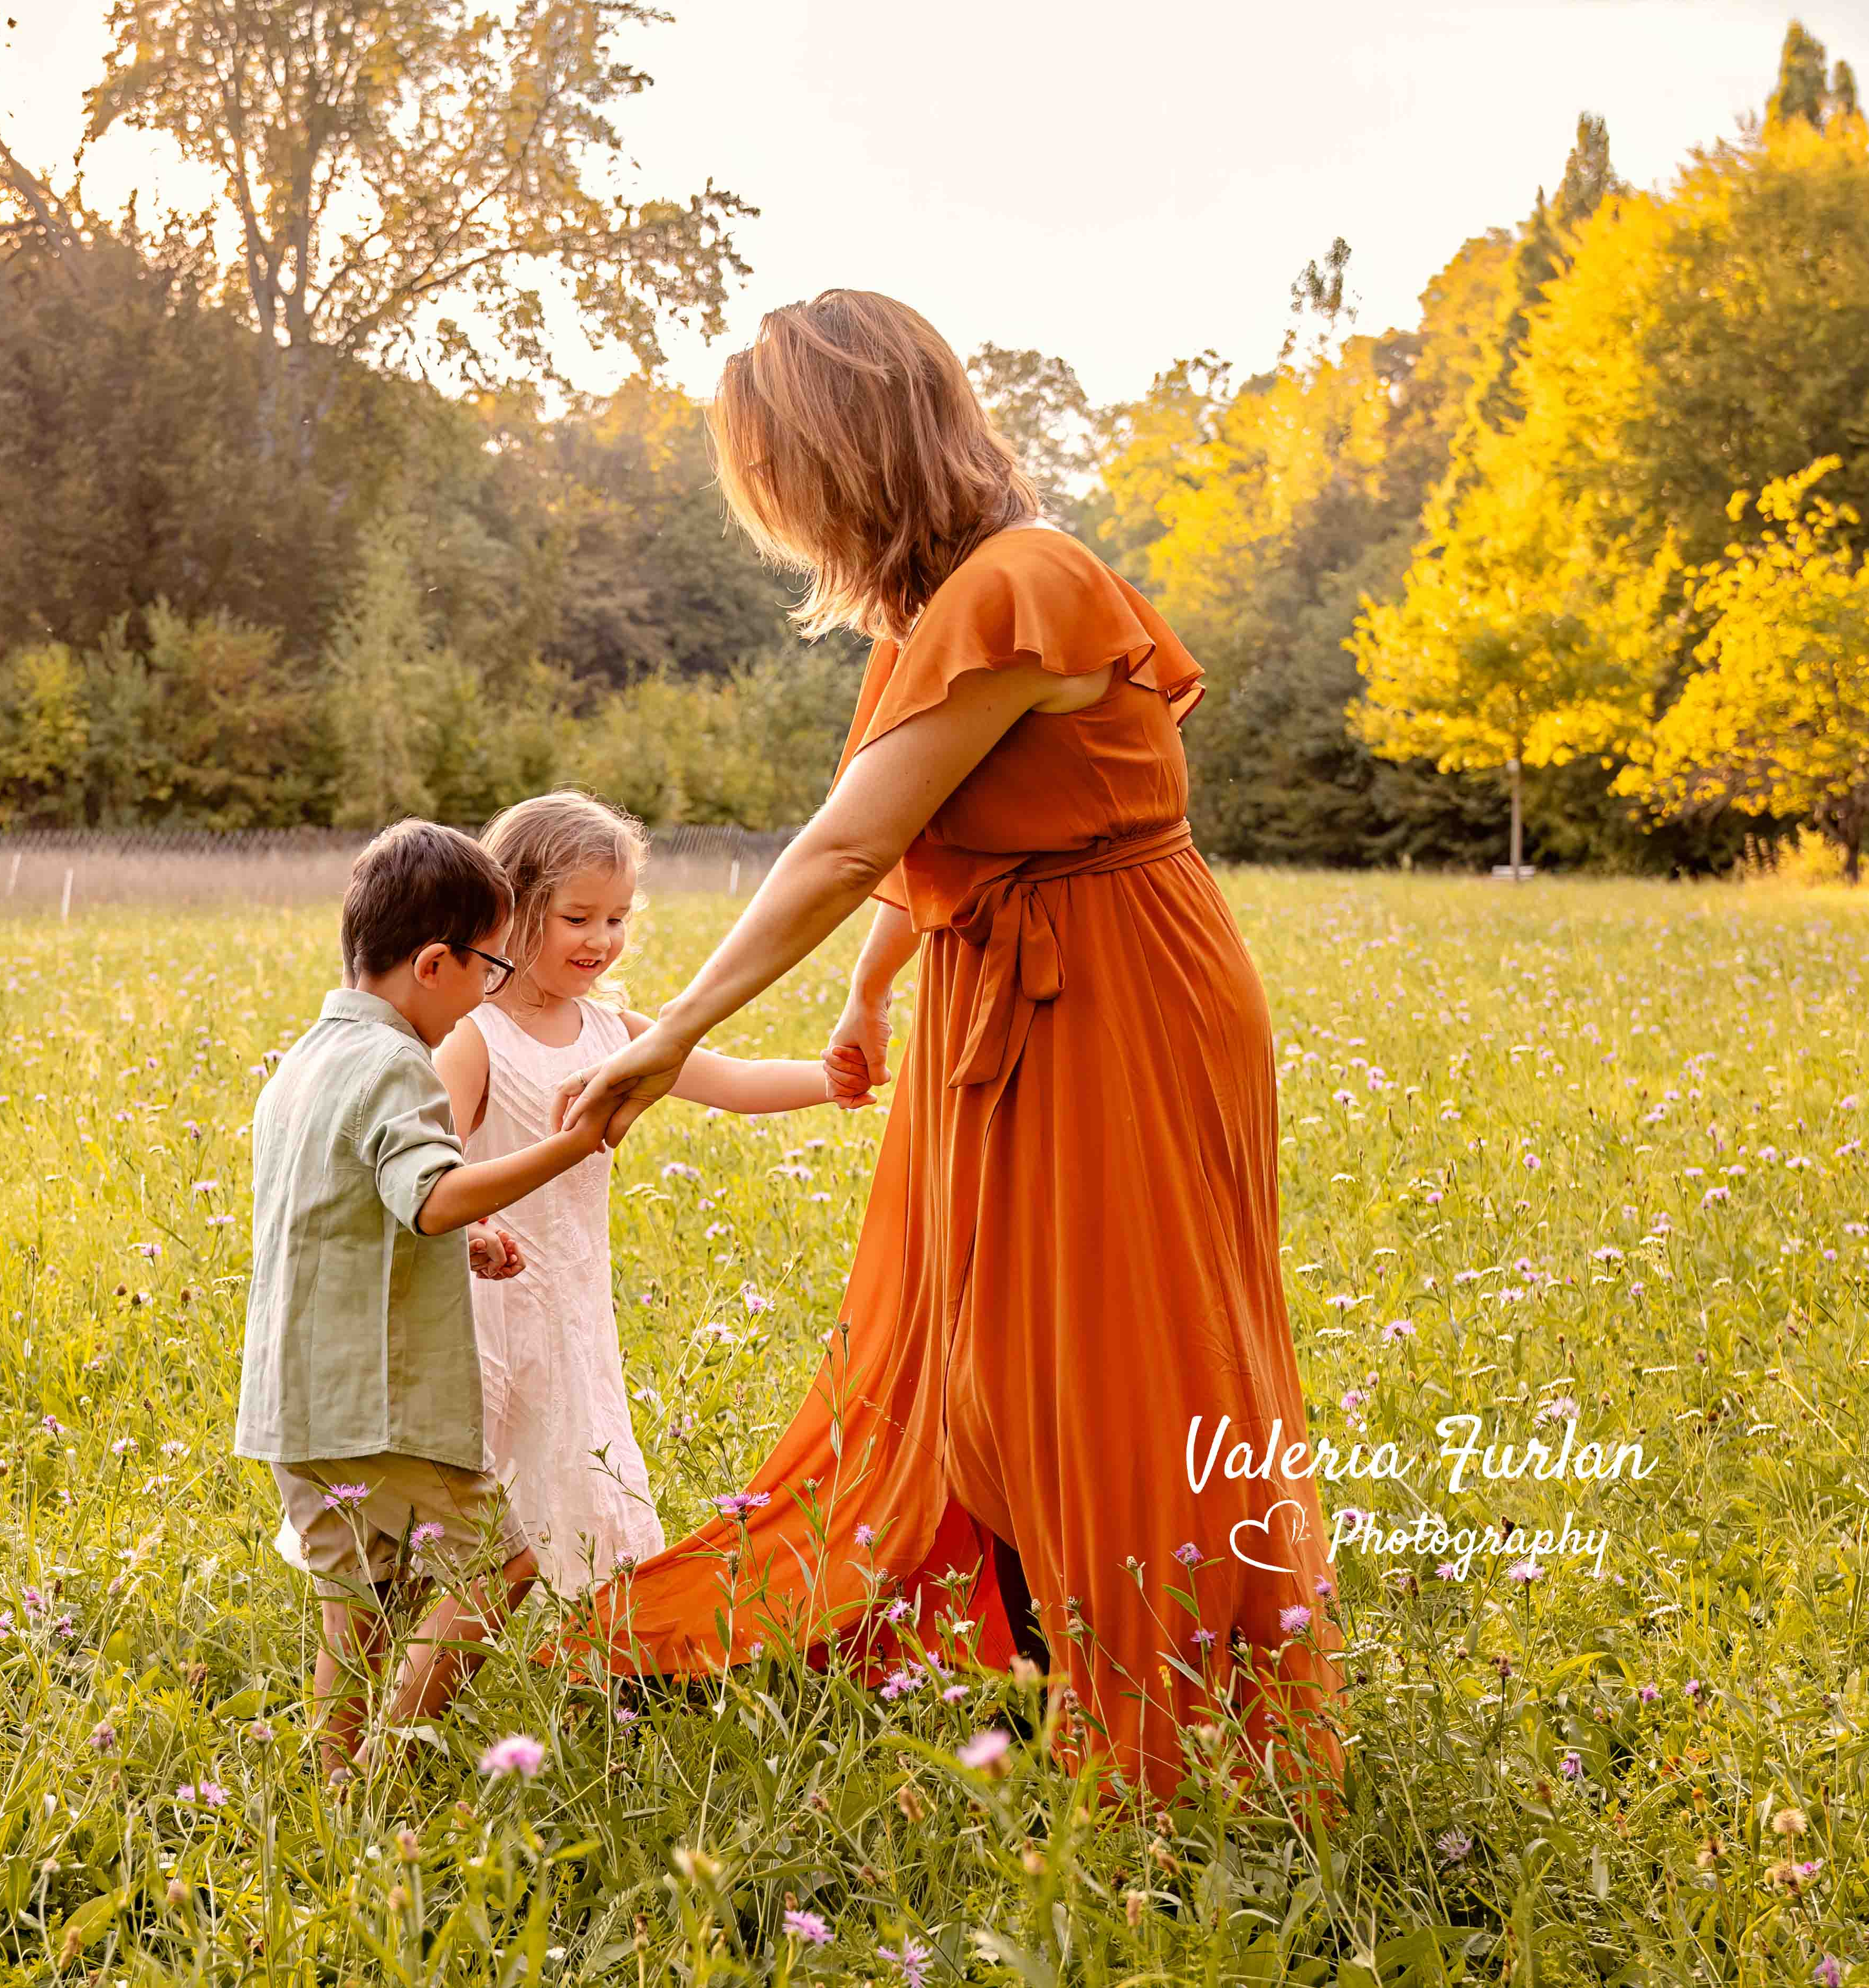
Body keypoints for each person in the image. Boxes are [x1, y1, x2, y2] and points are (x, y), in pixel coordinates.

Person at [558, 291, 1343, 1799]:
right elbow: (945, 848)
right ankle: (1068, 1649)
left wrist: (670, 1038)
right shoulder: (942, 619)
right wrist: (865, 994)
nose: (779, 516)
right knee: (979, 1342)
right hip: (1001, 984)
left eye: (781, 473)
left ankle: (1152, 1702)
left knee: (1106, 1355)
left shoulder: (1019, 585)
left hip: (1119, 995)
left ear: (851, 454)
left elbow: (851, 839)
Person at [233, 819, 604, 1775]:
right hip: (382, 1399)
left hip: (297, 1395)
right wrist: (568, 1146)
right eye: (487, 966)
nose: (491, 988)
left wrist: (463, 1234)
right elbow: (432, 1196)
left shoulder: (305, 1062)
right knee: (507, 1561)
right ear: (435, 963)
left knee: (354, 1596)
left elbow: (363, 1201)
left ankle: (338, 1775)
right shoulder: (400, 1064)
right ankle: (399, 1750)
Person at [422, 789, 852, 1597]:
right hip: (484, 1305)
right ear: (511, 910)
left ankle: (597, 1653)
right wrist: (474, 1226)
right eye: (578, 918)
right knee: (480, 1510)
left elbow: (734, 1081)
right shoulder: (476, 1038)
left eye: (617, 918)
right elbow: (425, 1172)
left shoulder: (613, 1031)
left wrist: (837, 1077)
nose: (602, 941)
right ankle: (433, 1644)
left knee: (578, 1477)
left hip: (573, 1305)